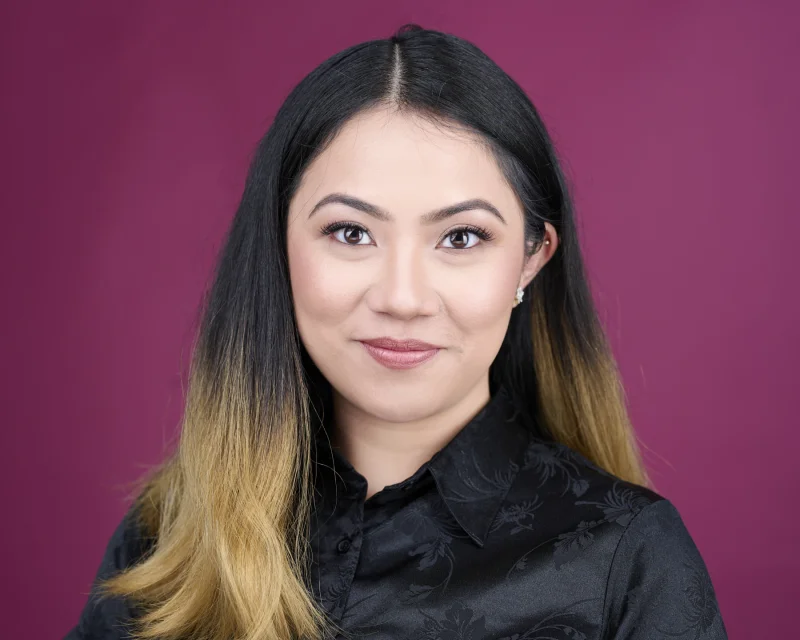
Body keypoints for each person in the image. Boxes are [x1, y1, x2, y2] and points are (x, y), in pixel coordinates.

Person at [65, 24, 728, 640]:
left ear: (531, 259)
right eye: (351, 233)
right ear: (278, 247)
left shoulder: (628, 559)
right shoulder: (167, 536)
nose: (402, 298)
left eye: (461, 237)